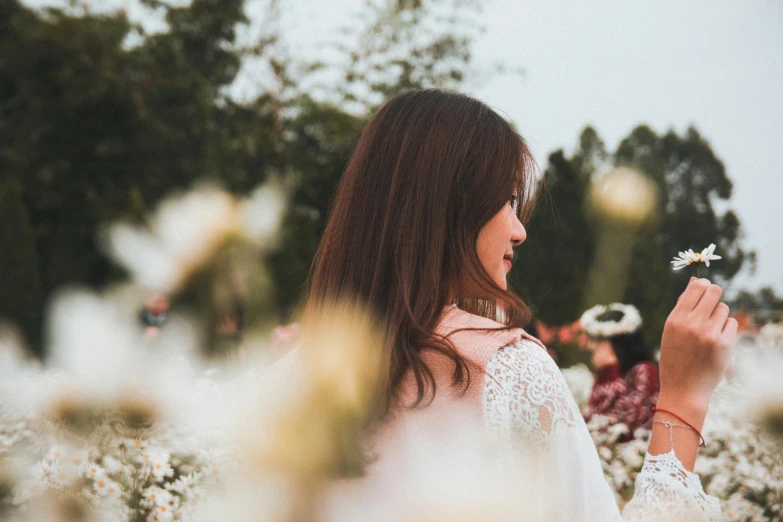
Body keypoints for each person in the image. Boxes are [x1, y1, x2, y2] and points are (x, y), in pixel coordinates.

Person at [305, 89, 736, 520]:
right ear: (451, 203)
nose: (519, 231)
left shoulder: (294, 381)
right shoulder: (507, 372)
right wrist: (682, 399)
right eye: (508, 200)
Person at [580, 303, 660, 437]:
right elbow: (594, 414)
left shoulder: (644, 370)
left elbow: (628, 420)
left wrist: (608, 371)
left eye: (597, 341)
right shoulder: (615, 372)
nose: (591, 347)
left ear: (615, 343)